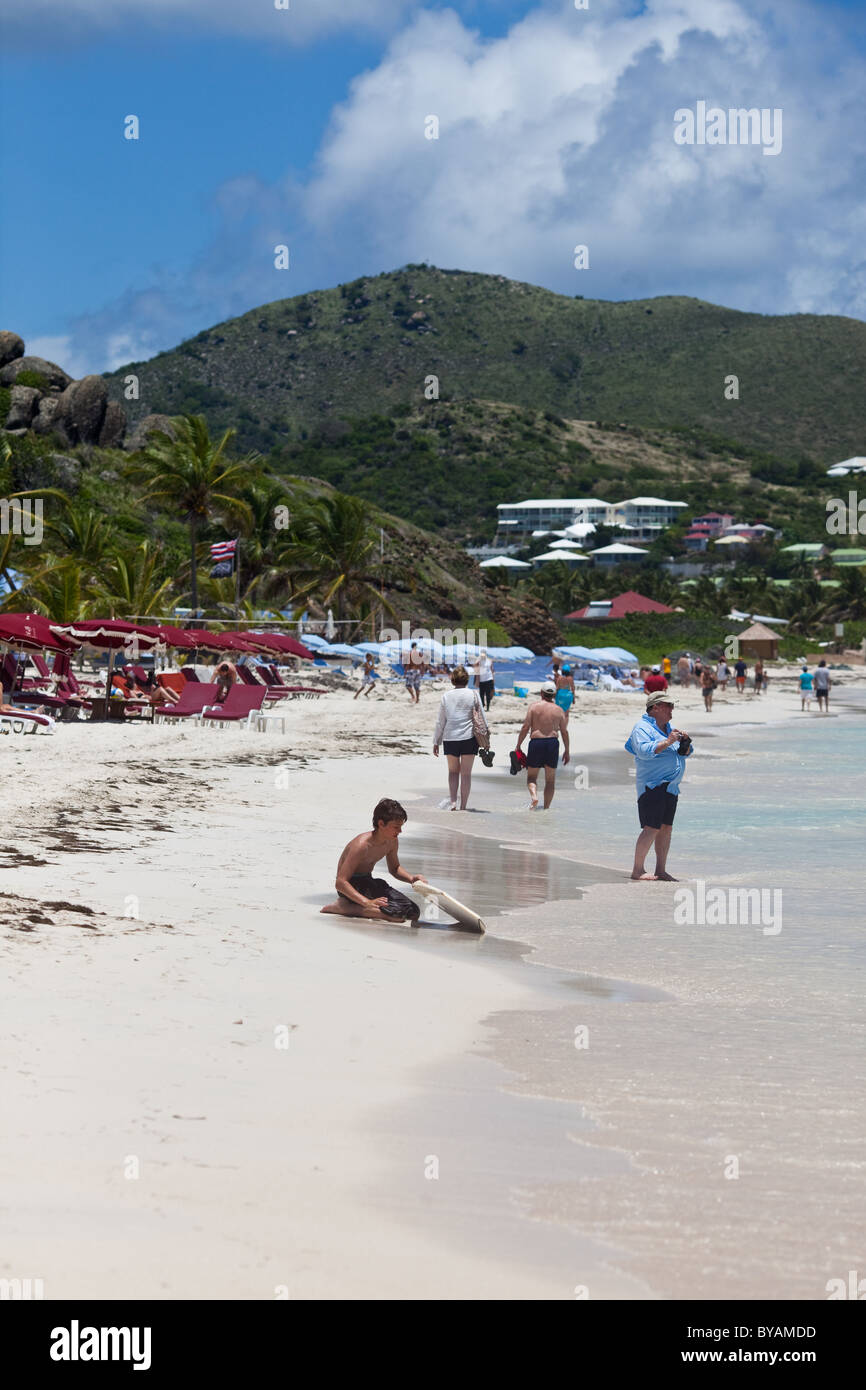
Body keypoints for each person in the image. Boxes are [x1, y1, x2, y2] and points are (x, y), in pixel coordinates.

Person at [320, 798, 427, 923]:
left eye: (401, 827)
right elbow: (341, 882)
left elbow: (394, 868)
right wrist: (367, 902)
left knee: (413, 912)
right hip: (351, 886)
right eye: (396, 827)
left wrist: (412, 879)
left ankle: (353, 906)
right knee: (395, 916)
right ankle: (344, 907)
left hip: (368, 882)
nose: (400, 831)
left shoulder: (391, 841)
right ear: (381, 824)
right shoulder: (361, 846)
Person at [625, 691, 693, 881]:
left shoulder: (668, 728)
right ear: (655, 707)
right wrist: (668, 741)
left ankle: (660, 870)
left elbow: (683, 754)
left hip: (671, 787)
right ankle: (637, 870)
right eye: (668, 705)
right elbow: (644, 751)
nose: (672, 709)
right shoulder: (641, 728)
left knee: (666, 828)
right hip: (652, 785)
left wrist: (685, 745)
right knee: (651, 827)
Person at [433, 665, 488, 810]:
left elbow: (440, 721)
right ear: (466, 679)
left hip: (450, 737)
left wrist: (436, 741)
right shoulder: (474, 694)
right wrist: (486, 738)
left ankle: (452, 802)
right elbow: (482, 717)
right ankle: (463, 806)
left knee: (452, 772)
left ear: (453, 680)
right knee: (465, 774)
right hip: (469, 738)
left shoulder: (446, 696)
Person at [515, 681, 570, 809]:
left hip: (536, 743)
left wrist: (518, 745)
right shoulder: (559, 710)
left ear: (541, 693)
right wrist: (567, 750)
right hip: (552, 744)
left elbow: (525, 727)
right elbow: (564, 732)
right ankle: (546, 808)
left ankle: (534, 797)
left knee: (532, 778)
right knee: (550, 781)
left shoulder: (534, 707)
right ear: (554, 695)